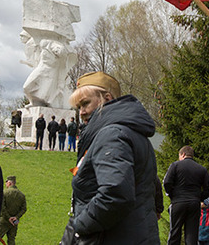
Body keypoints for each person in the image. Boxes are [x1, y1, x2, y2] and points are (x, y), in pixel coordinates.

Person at [67, 71, 159, 243]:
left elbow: (115, 194)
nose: (81, 112)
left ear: (107, 98)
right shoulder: (132, 133)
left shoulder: (112, 135)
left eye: (85, 103)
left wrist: (79, 226)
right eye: (78, 107)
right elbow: (153, 188)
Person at [163, 145, 209, 245]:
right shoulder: (202, 169)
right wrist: (198, 197)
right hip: (194, 203)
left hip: (178, 202)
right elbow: (208, 189)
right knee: (192, 235)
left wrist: (173, 195)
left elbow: (167, 182)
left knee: (175, 232)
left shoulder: (175, 165)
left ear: (183, 154)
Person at [0, 176, 27, 245]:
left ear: (9, 183)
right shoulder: (21, 195)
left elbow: (2, 207)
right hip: (14, 222)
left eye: (6, 182)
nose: (5, 184)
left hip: (3, 221)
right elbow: (24, 209)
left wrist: (8, 217)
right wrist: (16, 217)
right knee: (11, 240)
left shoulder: (4, 193)